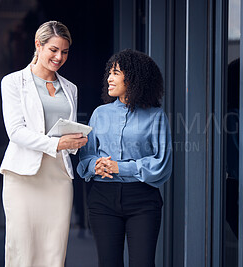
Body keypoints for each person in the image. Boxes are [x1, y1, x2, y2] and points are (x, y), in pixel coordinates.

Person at [0, 21, 88, 266]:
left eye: (65, 52)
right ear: (38, 45)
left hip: (58, 178)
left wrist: (74, 142)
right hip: (22, 176)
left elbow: (65, 132)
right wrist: (56, 144)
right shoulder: (13, 82)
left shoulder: (70, 88)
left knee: (54, 253)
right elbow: (16, 132)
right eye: (53, 50)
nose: (59, 57)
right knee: (21, 250)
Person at [77, 49, 172, 267]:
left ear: (134, 78)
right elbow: (86, 156)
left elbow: (162, 164)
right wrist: (95, 166)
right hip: (102, 198)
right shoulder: (99, 113)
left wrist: (120, 167)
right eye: (109, 73)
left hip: (142, 200)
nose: (109, 78)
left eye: (116, 73)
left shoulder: (156, 116)